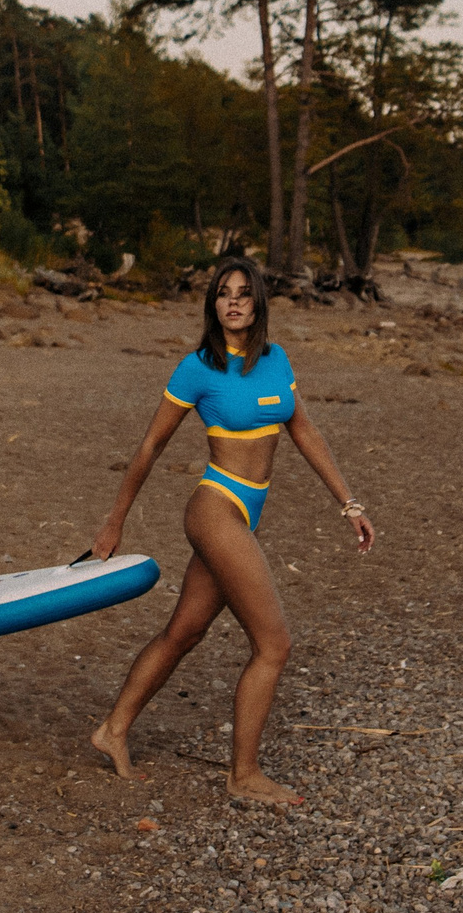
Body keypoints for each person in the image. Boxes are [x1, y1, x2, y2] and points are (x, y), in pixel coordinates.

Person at [87, 256, 374, 805]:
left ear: (258, 302)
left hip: (248, 511)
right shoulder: (197, 367)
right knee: (274, 645)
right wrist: (114, 521)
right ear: (213, 305)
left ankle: (112, 730)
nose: (233, 301)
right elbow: (151, 445)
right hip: (215, 506)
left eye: (243, 292)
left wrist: (349, 503)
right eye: (223, 293)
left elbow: (304, 430)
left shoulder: (276, 360)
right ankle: (244, 775)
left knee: (184, 631)